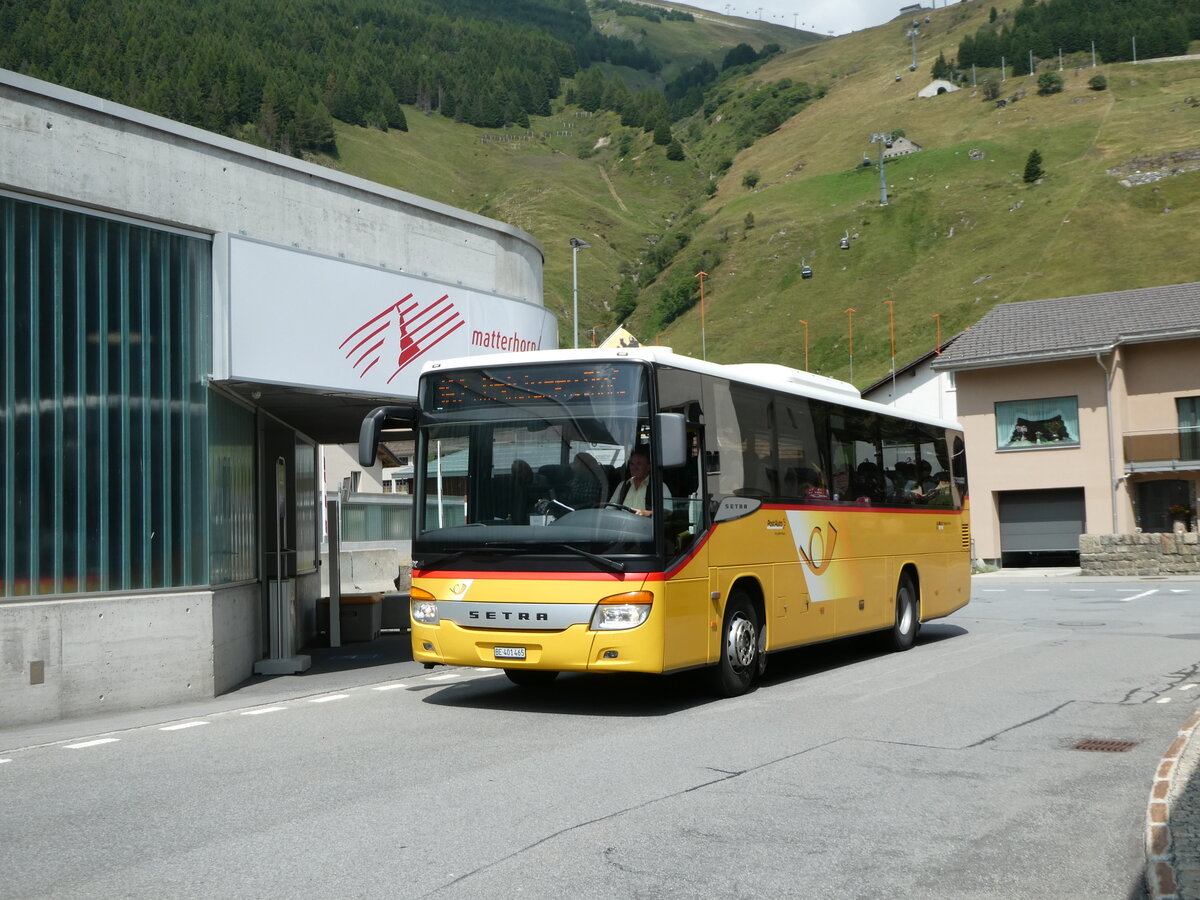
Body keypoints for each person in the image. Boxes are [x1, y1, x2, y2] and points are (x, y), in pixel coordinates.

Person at [610, 445, 669, 517]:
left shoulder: (658, 486)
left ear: (649, 467)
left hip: (646, 526)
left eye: (639, 464)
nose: (634, 468)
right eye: (632, 464)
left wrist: (648, 513)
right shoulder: (623, 486)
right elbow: (610, 508)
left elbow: (667, 511)